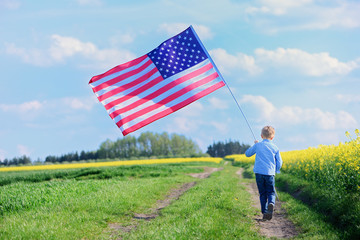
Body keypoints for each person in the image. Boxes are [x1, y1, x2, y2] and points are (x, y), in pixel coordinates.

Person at [245, 126, 282, 220]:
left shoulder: (258, 145)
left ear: (261, 136)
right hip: (270, 173)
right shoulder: (275, 147)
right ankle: (271, 203)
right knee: (270, 192)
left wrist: (255, 145)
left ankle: (265, 212)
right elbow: (279, 162)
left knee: (262, 193)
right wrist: (276, 170)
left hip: (259, 173)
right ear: (272, 137)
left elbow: (247, 154)